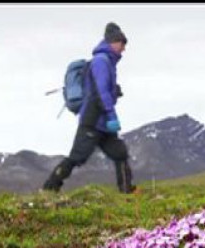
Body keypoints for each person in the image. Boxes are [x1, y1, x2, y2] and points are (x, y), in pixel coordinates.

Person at [42, 22, 135, 194]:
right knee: (77, 157)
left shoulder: (108, 63)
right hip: (92, 120)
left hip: (103, 122)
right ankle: (50, 187)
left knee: (120, 153)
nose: (123, 49)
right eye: (122, 44)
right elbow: (100, 93)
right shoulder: (101, 61)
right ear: (113, 42)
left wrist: (115, 91)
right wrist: (112, 115)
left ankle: (126, 190)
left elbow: (103, 89)